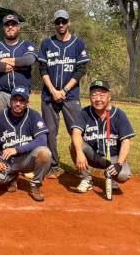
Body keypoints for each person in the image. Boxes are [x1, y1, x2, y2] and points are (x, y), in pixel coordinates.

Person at [38, 10, 90, 179]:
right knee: (50, 132)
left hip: (71, 95)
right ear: (54, 23)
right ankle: (52, 166)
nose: (60, 24)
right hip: (49, 95)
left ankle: (82, 168)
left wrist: (64, 90)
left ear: (69, 22)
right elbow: (43, 69)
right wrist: (53, 91)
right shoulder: (47, 43)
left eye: (63, 21)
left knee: (77, 131)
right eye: (57, 21)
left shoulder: (78, 43)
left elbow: (81, 69)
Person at [0, 86, 52, 202]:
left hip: (27, 159)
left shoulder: (33, 115)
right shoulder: (0, 117)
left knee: (45, 153)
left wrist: (17, 149)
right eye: (15, 100)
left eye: (22, 101)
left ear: (27, 103)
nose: (18, 104)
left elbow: (42, 139)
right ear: (10, 101)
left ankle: (35, 185)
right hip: (7, 161)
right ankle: (11, 178)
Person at [70, 80, 134, 193]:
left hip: (113, 158)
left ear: (109, 96)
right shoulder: (84, 113)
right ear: (89, 98)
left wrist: (119, 164)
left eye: (102, 95)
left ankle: (112, 176)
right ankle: (86, 179)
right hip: (93, 156)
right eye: (94, 95)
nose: (98, 99)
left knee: (124, 175)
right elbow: (76, 133)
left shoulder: (119, 115)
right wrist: (79, 153)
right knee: (74, 145)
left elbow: (126, 142)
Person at [0, 14, 37, 121]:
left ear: (18, 27)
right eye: (7, 25)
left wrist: (4, 61)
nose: (10, 27)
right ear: (3, 28)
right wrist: (20, 65)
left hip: (22, 94)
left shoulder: (27, 45)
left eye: (13, 24)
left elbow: (29, 60)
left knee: (22, 129)